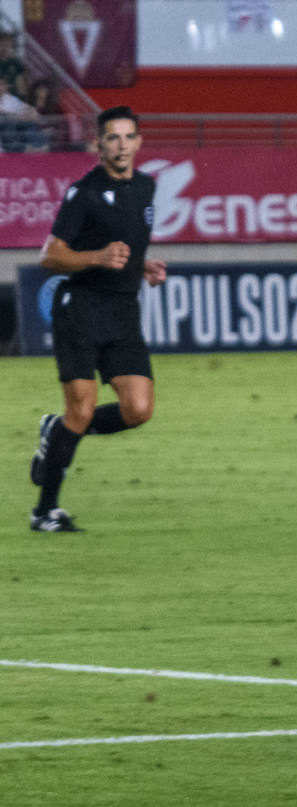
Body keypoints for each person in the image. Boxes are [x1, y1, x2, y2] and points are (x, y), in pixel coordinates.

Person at [29, 105, 168, 532]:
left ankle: (58, 432)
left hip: (123, 311)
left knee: (138, 409)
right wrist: (97, 257)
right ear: (99, 143)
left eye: (128, 137)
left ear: (139, 142)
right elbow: (50, 255)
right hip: (81, 310)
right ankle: (44, 512)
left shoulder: (146, 187)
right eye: (113, 138)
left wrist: (141, 265)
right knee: (82, 409)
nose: (121, 146)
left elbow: (130, 243)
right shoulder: (83, 193)